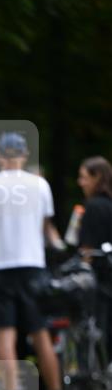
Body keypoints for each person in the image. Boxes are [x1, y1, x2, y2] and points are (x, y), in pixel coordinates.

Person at [0, 132, 65, 390]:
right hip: (32, 265)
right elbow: (45, 226)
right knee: (40, 333)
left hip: (0, 266)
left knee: (6, 334)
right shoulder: (39, 185)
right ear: (24, 155)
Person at [77, 156, 112, 364]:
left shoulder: (92, 207)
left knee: (96, 328)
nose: (80, 183)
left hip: (99, 280)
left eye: (84, 177)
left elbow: (87, 250)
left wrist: (81, 271)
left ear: (97, 177)